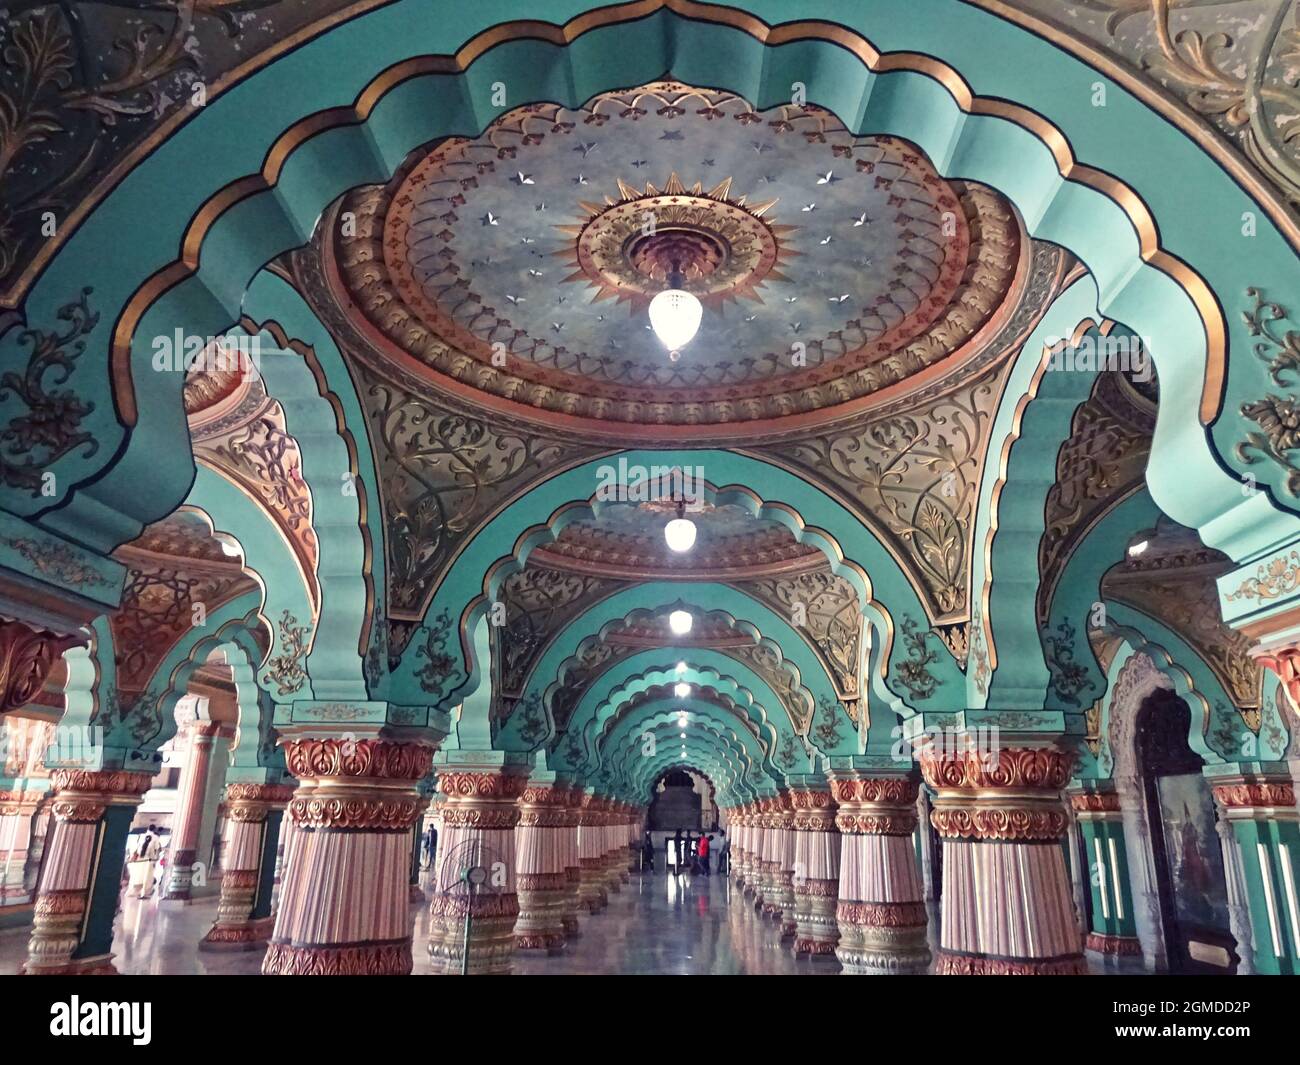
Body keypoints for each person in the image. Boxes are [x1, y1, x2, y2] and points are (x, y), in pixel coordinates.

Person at [137, 824, 162, 899]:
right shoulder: (155, 837)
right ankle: (144, 893)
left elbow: (138, 847)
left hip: (140, 858)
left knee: (140, 875)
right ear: (154, 829)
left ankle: (137, 891)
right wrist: (156, 858)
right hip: (150, 859)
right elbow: (157, 848)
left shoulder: (141, 836)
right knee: (148, 876)